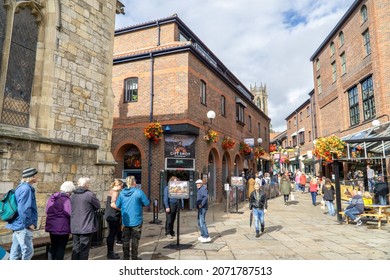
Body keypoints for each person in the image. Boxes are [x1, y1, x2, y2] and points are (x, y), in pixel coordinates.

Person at [6, 167, 38, 260]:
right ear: (31, 177)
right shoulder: (26, 189)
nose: (37, 177)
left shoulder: (21, 187)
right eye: (35, 175)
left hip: (18, 224)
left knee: (15, 252)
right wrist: (29, 224)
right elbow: (24, 209)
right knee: (28, 251)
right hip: (23, 226)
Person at [115, 176, 150, 260]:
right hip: (136, 220)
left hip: (125, 220)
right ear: (134, 183)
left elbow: (117, 205)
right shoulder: (139, 192)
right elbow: (146, 203)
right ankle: (134, 257)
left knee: (125, 240)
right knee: (135, 240)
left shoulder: (122, 193)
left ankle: (126, 257)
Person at [70, 177, 101, 260]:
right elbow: (98, 206)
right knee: (84, 249)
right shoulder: (89, 195)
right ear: (86, 185)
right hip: (86, 225)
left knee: (76, 247)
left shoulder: (72, 196)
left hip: (75, 226)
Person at [45, 181, 75, 260]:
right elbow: (69, 213)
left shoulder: (52, 198)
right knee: (61, 247)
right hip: (63, 227)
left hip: (52, 226)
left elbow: (47, 210)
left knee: (53, 246)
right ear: (69, 191)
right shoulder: (66, 200)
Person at [104, 179, 124, 259]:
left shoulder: (111, 191)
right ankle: (110, 253)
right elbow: (113, 204)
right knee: (112, 234)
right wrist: (121, 209)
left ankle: (110, 252)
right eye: (121, 186)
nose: (122, 187)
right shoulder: (115, 192)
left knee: (111, 234)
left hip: (109, 214)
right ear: (117, 185)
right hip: (113, 215)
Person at [196, 179, 211, 243]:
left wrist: (201, 204)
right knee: (199, 222)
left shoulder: (203, 189)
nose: (197, 185)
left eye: (199, 183)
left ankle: (206, 236)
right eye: (197, 184)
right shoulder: (199, 189)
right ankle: (202, 235)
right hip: (200, 208)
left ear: (201, 184)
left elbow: (205, 197)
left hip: (203, 208)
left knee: (202, 222)